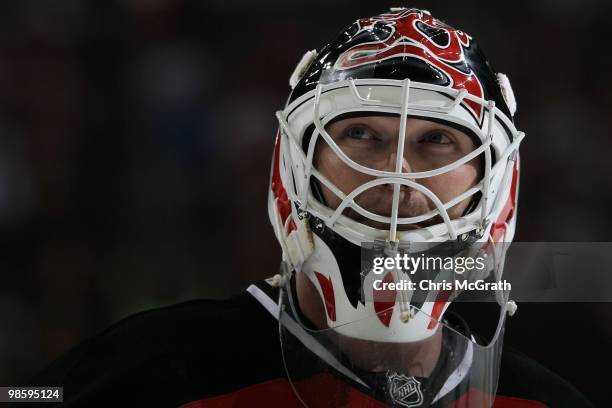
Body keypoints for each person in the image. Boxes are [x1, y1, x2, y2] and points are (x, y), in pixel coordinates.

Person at [20, 8, 592, 408]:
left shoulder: (544, 401)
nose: (395, 171)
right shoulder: (145, 374)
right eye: (362, 133)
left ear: (494, 182)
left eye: (436, 140)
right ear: (295, 165)